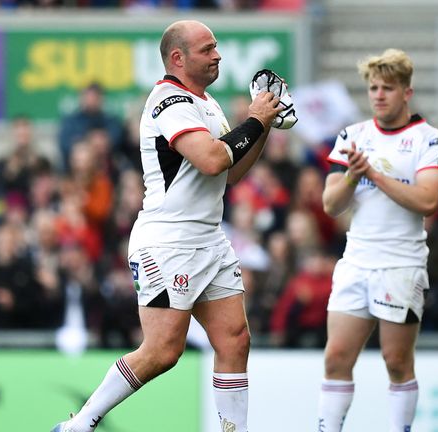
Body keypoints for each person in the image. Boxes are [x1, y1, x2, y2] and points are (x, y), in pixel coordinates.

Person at [51, 19, 283, 432]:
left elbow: (230, 173)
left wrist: (262, 126)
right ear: (178, 58)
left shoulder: (206, 104)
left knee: (235, 340)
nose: (218, 55)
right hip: (167, 242)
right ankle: (80, 423)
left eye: (216, 47)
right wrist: (254, 119)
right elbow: (212, 158)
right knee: (162, 351)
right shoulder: (168, 102)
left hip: (209, 239)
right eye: (208, 49)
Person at [318, 48, 438, 432]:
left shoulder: (430, 140)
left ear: (406, 93)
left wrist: (373, 175)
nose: (378, 95)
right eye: (373, 87)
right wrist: (351, 176)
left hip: (400, 265)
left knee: (395, 361)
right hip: (356, 261)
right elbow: (330, 204)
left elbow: (427, 200)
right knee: (336, 356)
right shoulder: (352, 136)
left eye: (387, 88)